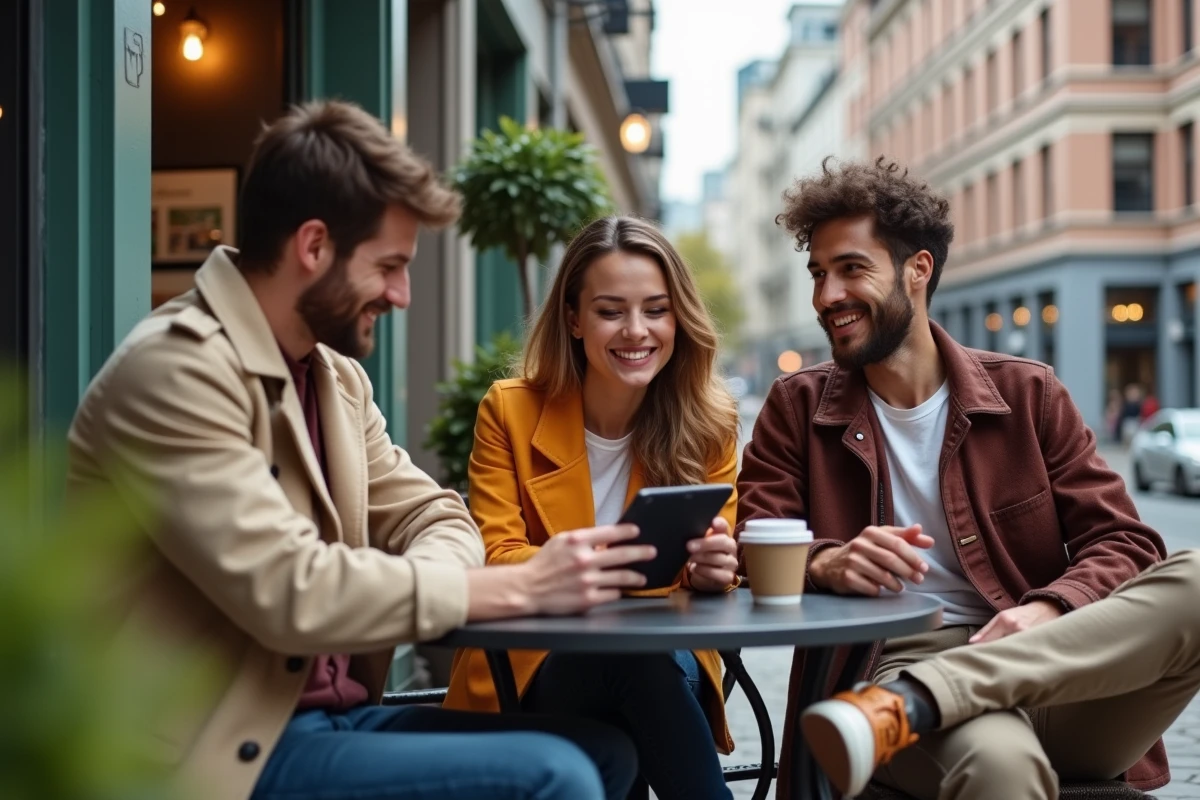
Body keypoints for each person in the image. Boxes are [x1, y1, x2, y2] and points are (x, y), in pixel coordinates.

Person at [66, 100, 655, 800]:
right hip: (213, 754)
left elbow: (436, 516)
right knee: (556, 778)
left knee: (607, 753)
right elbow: (291, 590)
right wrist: (516, 584)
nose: (403, 295)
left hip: (332, 721)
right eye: (390, 266)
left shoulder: (334, 377)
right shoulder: (175, 372)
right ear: (314, 247)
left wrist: (453, 574)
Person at [737, 157, 1200, 799]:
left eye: (851, 269)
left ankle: (925, 701)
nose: (826, 297)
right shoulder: (796, 407)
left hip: (1056, 665)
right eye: (818, 274)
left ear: (917, 269)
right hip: (900, 662)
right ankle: (919, 700)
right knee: (1000, 767)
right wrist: (829, 562)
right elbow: (751, 535)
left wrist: (1047, 608)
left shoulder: (1028, 393)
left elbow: (1125, 544)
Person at [443, 215, 742, 800]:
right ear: (575, 320)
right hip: (533, 662)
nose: (637, 330)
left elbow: (710, 562)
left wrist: (712, 570)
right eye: (611, 311)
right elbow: (497, 555)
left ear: (678, 317)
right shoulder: (508, 411)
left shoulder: (710, 424)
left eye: (656, 309)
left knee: (633, 665)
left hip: (660, 659)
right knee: (625, 667)